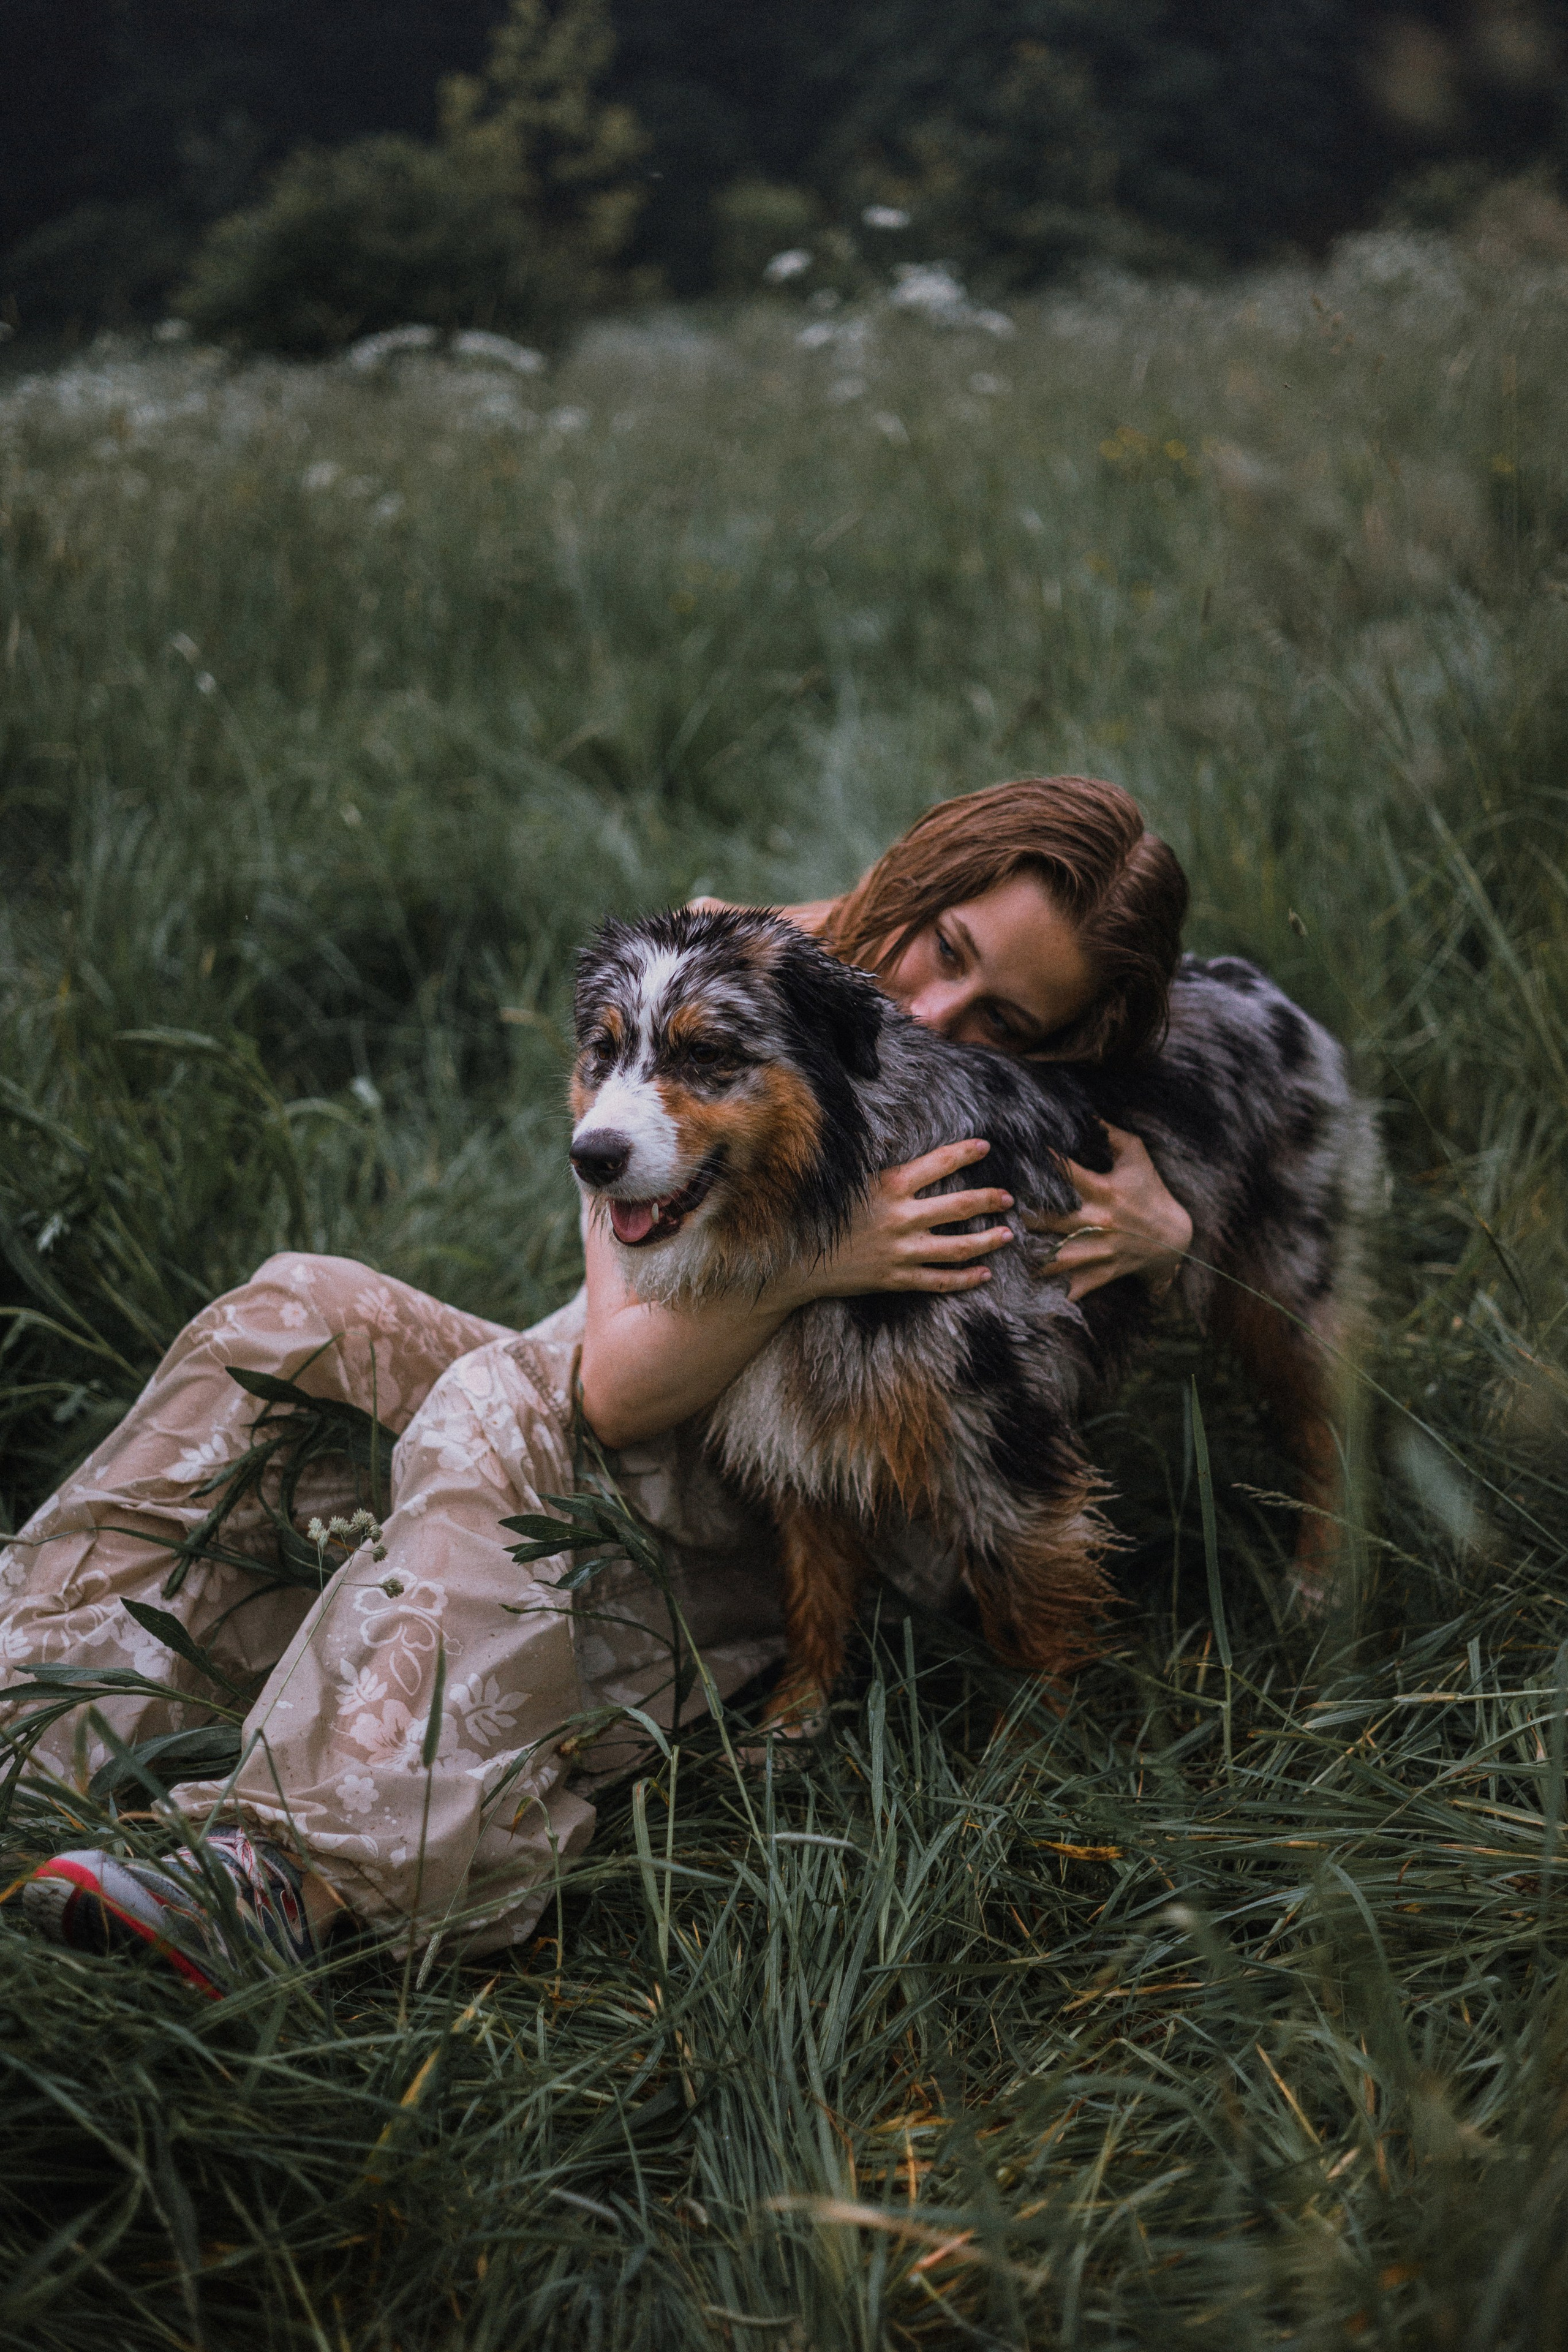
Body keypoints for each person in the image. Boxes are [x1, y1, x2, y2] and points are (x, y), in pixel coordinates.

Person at [4, 777, 1191, 1991]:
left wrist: (1171, 1231)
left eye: (1006, 1018)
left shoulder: (1010, 1113)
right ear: (919, 873)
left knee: (497, 1404)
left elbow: (1209, 1130)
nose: (937, 1010)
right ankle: (26, 1704)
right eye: (945, 948)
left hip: (773, 1517)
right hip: (620, 1393)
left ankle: (275, 1879)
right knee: (297, 1311)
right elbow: (620, 1373)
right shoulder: (697, 965)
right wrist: (827, 1259)